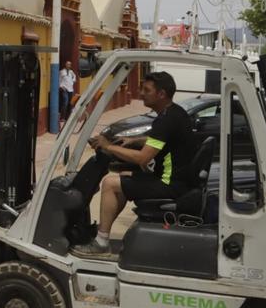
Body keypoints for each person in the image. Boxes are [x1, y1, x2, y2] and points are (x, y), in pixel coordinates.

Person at [70, 71, 197, 257]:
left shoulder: (166, 120)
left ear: (161, 94)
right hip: (175, 179)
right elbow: (161, 140)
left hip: (170, 184)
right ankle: (102, 233)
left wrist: (108, 147)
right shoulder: (175, 113)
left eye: (146, 90)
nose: (141, 93)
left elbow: (142, 159)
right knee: (123, 178)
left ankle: (101, 243)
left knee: (109, 184)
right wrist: (134, 140)